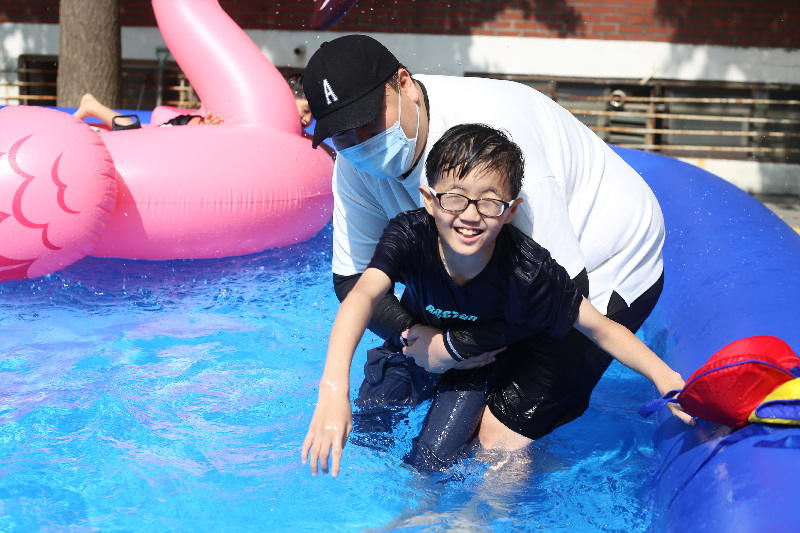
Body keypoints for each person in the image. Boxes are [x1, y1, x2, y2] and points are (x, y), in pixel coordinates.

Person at [302, 35, 672, 455]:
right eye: (342, 134)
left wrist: (454, 347)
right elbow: (354, 281)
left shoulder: (497, 154)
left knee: (495, 438)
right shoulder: (356, 166)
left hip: (604, 259)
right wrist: (415, 335)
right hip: (480, 275)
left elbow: (563, 299)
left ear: (404, 84)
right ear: (429, 200)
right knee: (382, 405)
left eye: (369, 120)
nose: (361, 142)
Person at [73, 93, 223, 130]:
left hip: (163, 134)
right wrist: (203, 123)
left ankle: (91, 107)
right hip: (163, 134)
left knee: (132, 132)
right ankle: (91, 106)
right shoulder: (188, 124)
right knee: (131, 132)